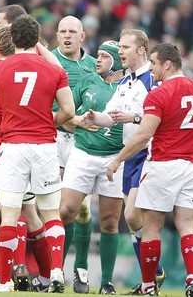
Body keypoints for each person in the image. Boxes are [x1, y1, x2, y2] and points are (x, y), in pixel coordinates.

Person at [0, 14, 75, 293]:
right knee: (51, 213)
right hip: (44, 146)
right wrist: (46, 121)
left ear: (13, 39)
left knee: (9, 215)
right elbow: (69, 112)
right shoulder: (54, 70)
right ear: (37, 39)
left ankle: (3, 282)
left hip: (13, 146)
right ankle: (55, 272)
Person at [105, 43, 193, 297]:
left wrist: (117, 160)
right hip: (191, 166)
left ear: (167, 64)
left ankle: (147, 287)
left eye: (154, 64)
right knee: (188, 225)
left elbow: (144, 134)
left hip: (163, 166)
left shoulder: (159, 93)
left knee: (152, 227)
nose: (152, 69)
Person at [81, 29, 165, 294]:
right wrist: (95, 117)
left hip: (151, 153)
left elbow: (159, 121)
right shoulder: (124, 83)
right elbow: (111, 117)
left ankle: (153, 276)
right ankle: (152, 276)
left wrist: (135, 120)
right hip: (130, 154)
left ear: (141, 50)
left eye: (125, 47)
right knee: (132, 220)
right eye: (119, 48)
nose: (120, 52)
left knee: (133, 215)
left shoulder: (154, 81)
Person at [59, 40, 124, 295]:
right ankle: (56, 273)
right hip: (82, 154)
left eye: (104, 56)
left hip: (114, 158)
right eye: (97, 55)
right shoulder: (86, 81)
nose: (97, 60)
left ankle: (106, 282)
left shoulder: (129, 88)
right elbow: (65, 114)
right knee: (65, 211)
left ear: (117, 61)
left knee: (109, 222)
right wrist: (78, 122)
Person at [52, 15, 96, 294]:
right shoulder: (48, 61)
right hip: (54, 139)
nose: (67, 35)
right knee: (57, 209)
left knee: (82, 209)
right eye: (62, 31)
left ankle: (80, 269)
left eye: (72, 31)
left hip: (83, 143)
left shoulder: (94, 65)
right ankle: (52, 270)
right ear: (56, 36)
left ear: (83, 36)